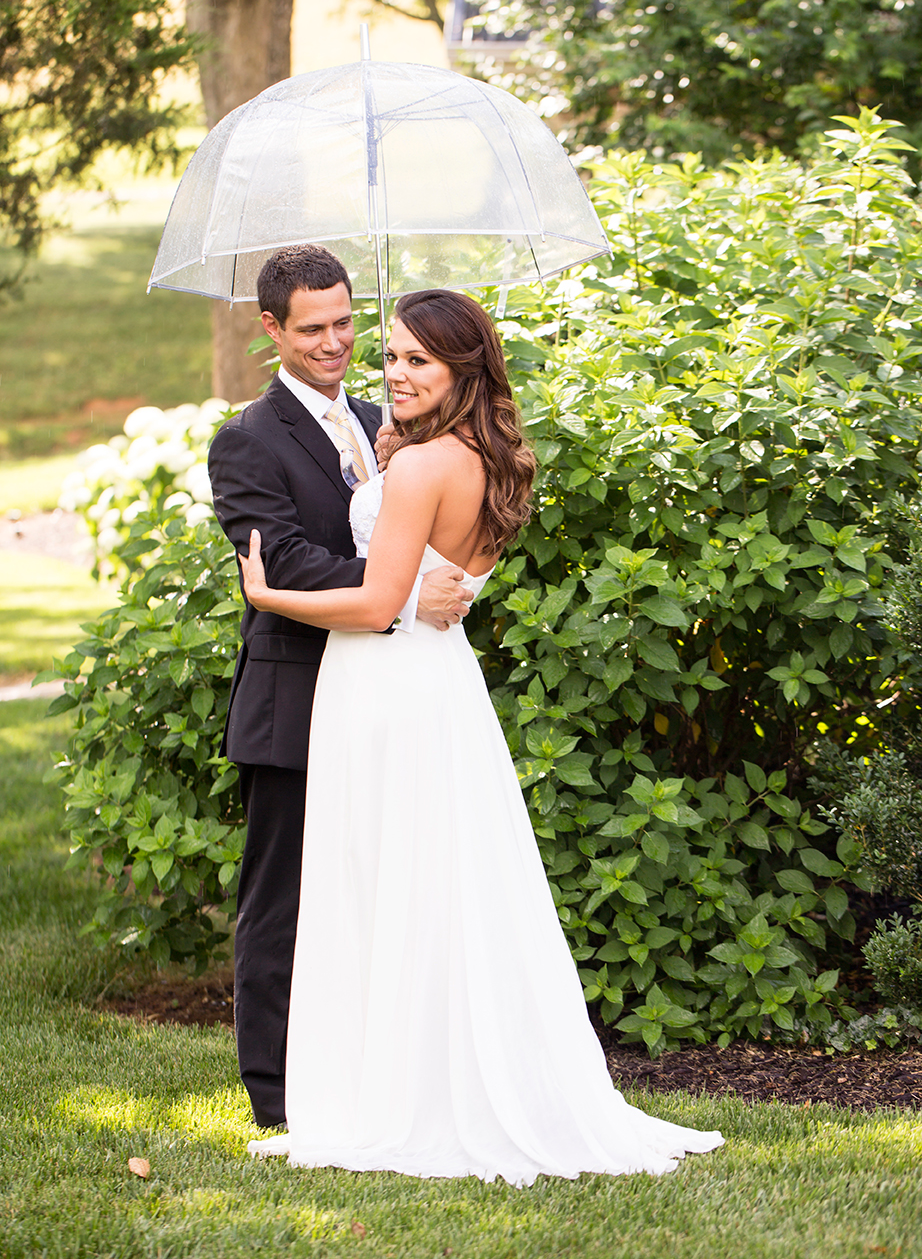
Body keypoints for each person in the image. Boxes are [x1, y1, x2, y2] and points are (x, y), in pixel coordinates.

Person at [238, 288, 725, 1184]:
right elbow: (431, 573)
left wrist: (269, 596)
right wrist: (391, 461)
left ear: (464, 371)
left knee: (385, 880)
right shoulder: (480, 460)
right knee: (431, 882)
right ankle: (417, 1078)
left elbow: (381, 602)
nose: (392, 371)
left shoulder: (424, 470)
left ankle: (393, 1098)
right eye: (390, 355)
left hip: (383, 681)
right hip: (438, 684)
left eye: (417, 360)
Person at [207, 246, 473, 1129]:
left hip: (385, 697)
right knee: (282, 898)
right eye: (312, 328)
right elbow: (279, 557)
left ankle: (359, 1069)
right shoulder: (247, 439)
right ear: (272, 329)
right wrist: (395, 586)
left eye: (345, 323)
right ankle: (277, 1099)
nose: (335, 344)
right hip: (296, 697)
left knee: (369, 888)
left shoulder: (381, 417)